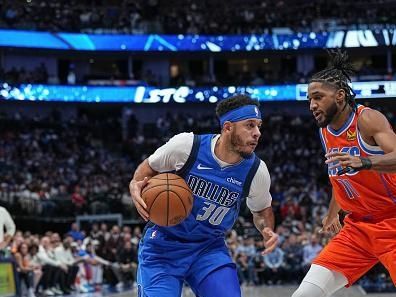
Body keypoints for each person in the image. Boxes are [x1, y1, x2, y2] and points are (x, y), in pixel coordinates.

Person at [130, 94, 279, 297]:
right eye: (250, 125)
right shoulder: (186, 146)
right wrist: (134, 185)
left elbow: (261, 211)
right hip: (163, 245)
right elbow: (146, 169)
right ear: (228, 127)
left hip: (208, 248)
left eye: (259, 126)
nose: (257, 133)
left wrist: (266, 229)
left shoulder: (256, 171)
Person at [292, 50, 396, 297]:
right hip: (357, 227)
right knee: (305, 295)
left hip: (392, 221)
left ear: (339, 96)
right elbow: (340, 177)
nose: (312, 105)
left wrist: (364, 162)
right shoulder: (325, 131)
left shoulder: (367, 119)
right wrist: (332, 213)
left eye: (318, 97)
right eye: (309, 99)